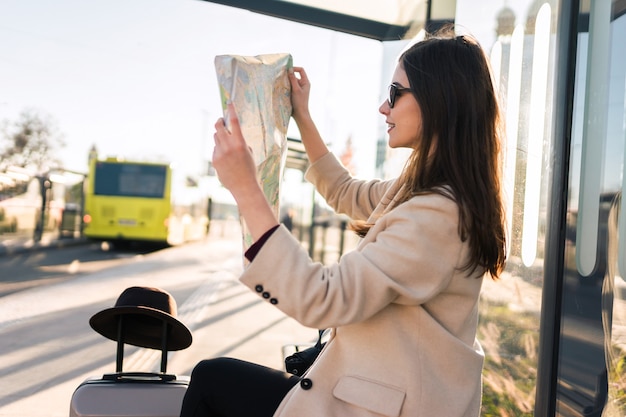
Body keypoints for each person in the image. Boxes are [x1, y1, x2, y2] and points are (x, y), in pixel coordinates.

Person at [179, 28, 507, 417]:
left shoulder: (438, 214)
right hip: (371, 390)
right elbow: (347, 191)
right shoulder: (426, 193)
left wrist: (246, 187)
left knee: (212, 380)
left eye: (394, 93)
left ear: (439, 101)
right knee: (214, 378)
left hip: (379, 406)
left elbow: (323, 298)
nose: (383, 108)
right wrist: (302, 116)